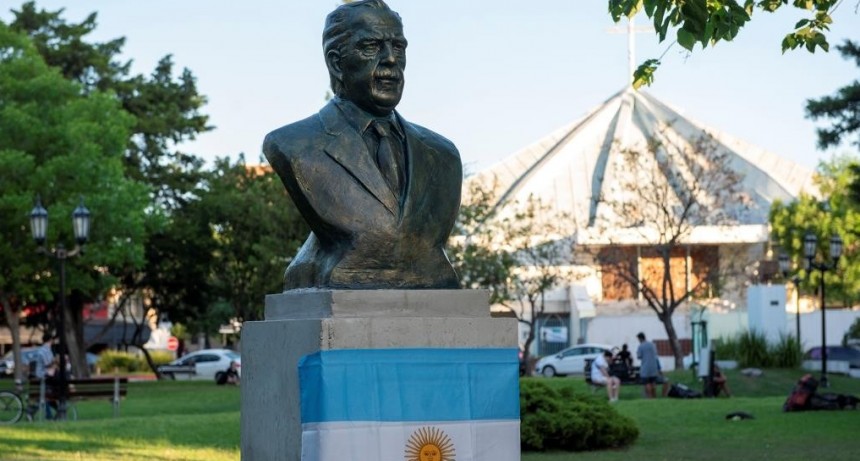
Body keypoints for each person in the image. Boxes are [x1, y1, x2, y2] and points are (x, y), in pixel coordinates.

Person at [263, 0, 463, 290]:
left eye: (398, 47)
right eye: (371, 46)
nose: (391, 60)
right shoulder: (294, 145)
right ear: (336, 62)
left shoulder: (443, 155)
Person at [637, 332, 660, 399]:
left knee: (647, 383)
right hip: (654, 367)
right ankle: (654, 396)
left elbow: (639, 356)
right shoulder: (653, 344)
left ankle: (649, 397)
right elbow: (656, 354)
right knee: (653, 382)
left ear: (640, 338)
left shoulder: (641, 346)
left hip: (645, 368)